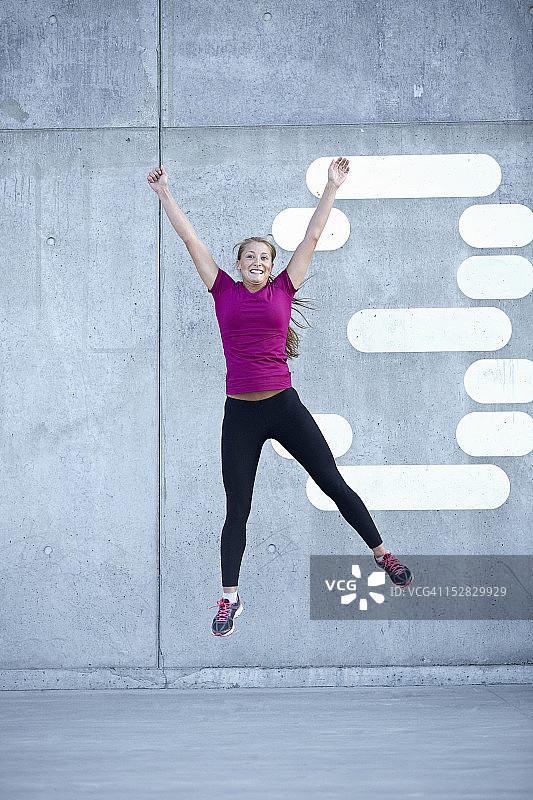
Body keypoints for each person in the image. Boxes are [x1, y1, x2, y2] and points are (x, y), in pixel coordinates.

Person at [148, 158, 413, 638]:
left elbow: (311, 237)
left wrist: (331, 186)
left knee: (333, 482)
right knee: (238, 506)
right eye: (249, 257)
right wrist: (166, 193)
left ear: (272, 268)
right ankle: (230, 598)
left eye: (264, 259)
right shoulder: (222, 290)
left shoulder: (284, 289)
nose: (256, 263)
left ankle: (381, 553)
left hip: (283, 406)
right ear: (238, 264)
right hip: (242, 414)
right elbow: (191, 241)